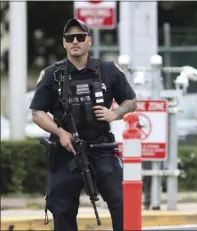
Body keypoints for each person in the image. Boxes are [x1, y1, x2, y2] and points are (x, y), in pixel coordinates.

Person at [30, 18, 137, 231]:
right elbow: (37, 112)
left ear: (89, 41)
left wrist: (114, 113)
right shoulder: (53, 74)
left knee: (121, 203)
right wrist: (60, 132)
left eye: (80, 37)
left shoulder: (108, 70)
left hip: (102, 149)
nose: (75, 41)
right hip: (66, 152)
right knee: (62, 209)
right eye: (70, 38)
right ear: (64, 43)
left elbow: (131, 101)